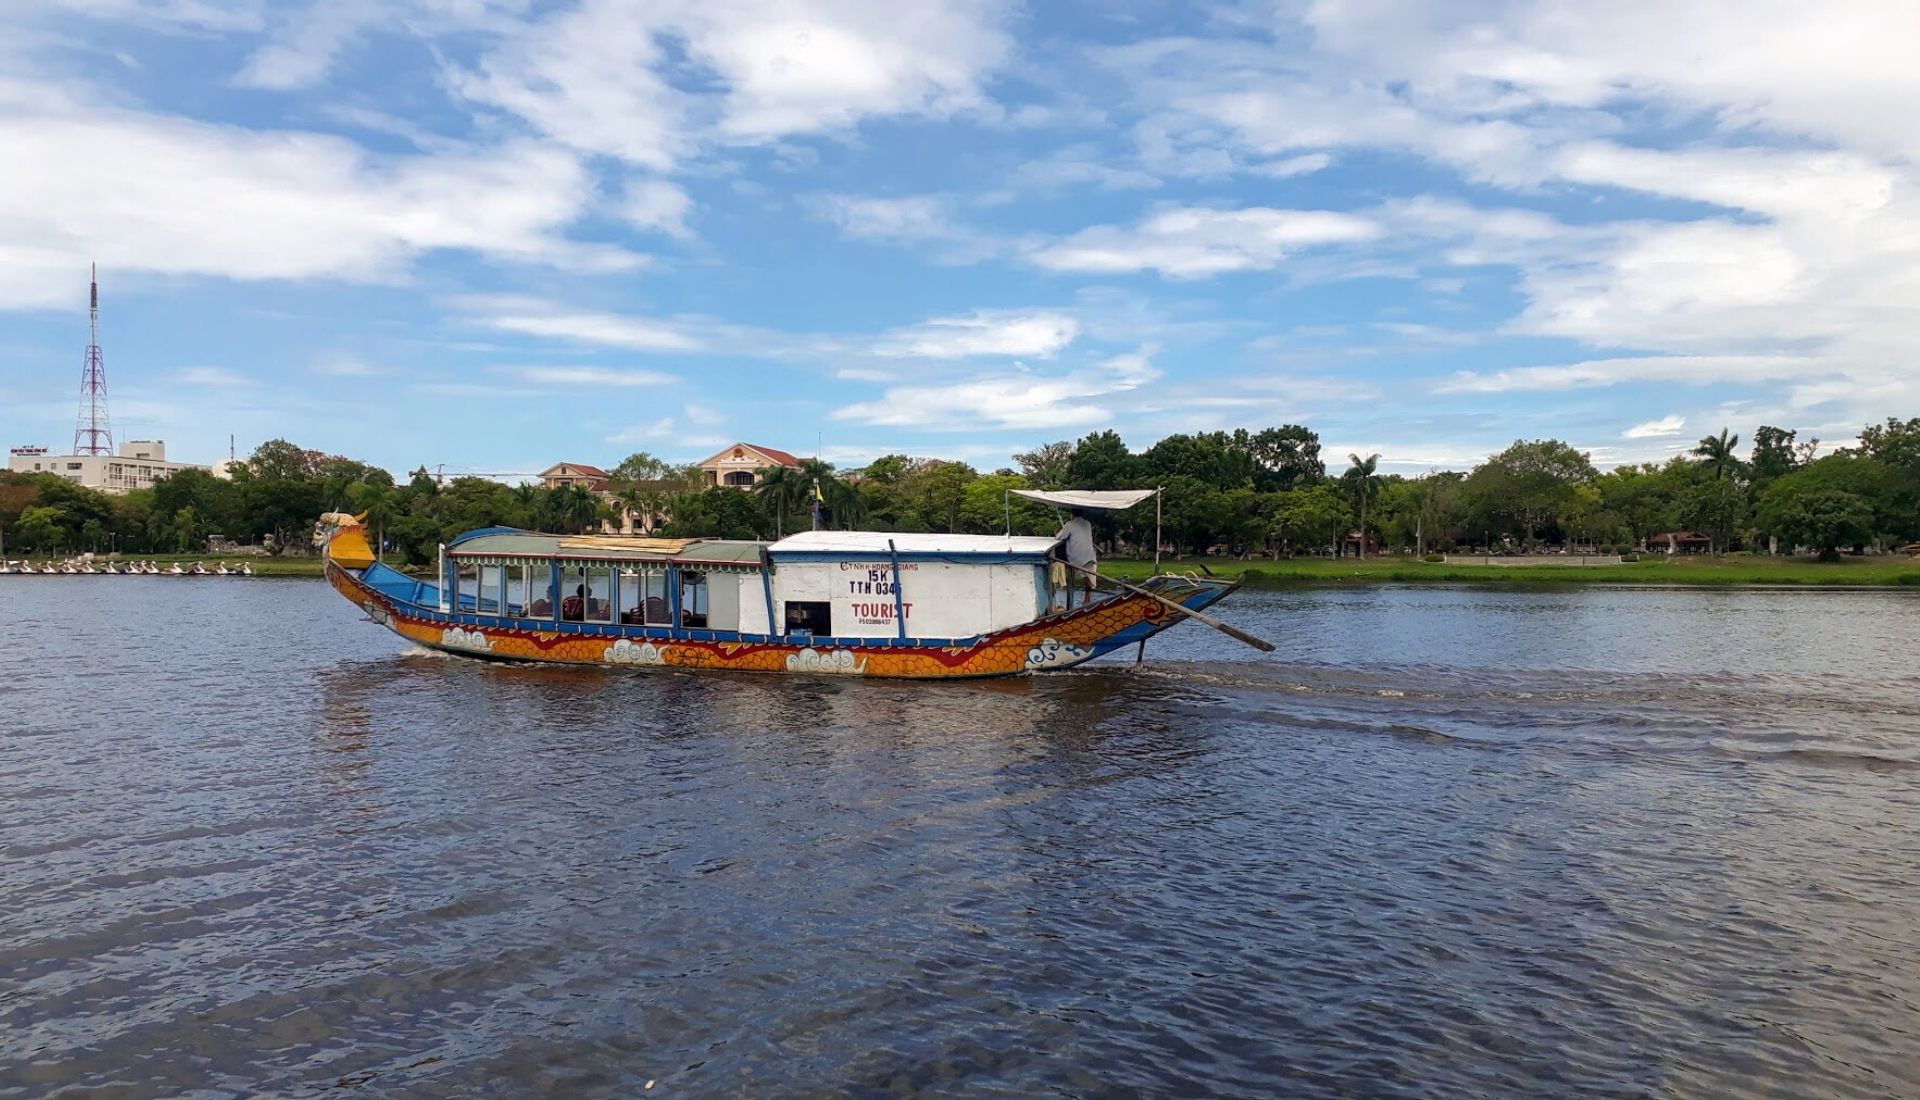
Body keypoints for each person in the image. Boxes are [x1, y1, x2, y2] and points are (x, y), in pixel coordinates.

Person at [1055, 507, 1098, 599]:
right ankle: (1088, 600)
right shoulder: (1088, 524)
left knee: (1085, 576)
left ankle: (1087, 600)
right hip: (1090, 556)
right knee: (1090, 577)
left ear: (1072, 514)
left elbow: (1059, 537)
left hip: (1076, 557)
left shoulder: (1069, 524)